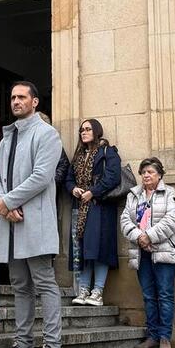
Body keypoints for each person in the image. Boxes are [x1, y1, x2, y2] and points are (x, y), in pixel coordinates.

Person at [0, 82, 64, 348]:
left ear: (34, 102)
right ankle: (23, 346)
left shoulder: (47, 134)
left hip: (35, 220)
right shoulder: (7, 138)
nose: (16, 101)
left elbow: (42, 176)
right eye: (12, 97)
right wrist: (3, 204)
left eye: (21, 97)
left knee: (44, 282)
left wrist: (6, 201)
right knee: (20, 285)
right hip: (11, 221)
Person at [120, 157, 175, 348]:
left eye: (151, 172)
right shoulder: (134, 195)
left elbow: (173, 219)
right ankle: (152, 336)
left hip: (163, 251)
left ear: (160, 175)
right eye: (144, 172)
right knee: (148, 296)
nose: (146, 175)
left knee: (164, 294)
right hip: (141, 253)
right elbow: (124, 220)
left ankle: (165, 337)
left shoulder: (168, 192)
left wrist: (150, 236)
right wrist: (139, 237)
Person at [66, 118, 121, 306]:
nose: (84, 132)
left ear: (97, 131)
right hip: (80, 207)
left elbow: (113, 177)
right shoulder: (78, 155)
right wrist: (73, 189)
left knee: (99, 249)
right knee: (82, 249)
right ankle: (83, 290)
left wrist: (93, 192)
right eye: (82, 130)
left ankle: (97, 291)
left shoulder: (108, 152)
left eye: (88, 129)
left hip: (100, 206)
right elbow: (68, 178)